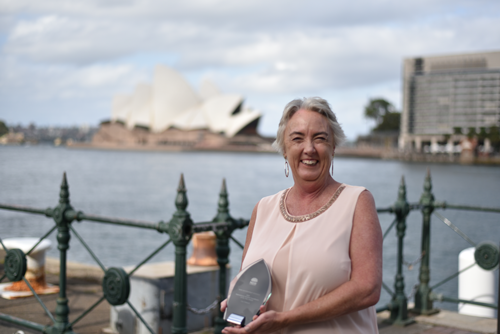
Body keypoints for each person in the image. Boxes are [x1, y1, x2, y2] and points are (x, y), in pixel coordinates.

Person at [221, 97, 382, 334]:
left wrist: (285, 319)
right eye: (297, 139)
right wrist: (238, 301)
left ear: (333, 147)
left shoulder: (357, 202)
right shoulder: (263, 208)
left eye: (320, 138)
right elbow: (248, 277)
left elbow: (367, 288)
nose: (309, 148)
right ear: (284, 150)